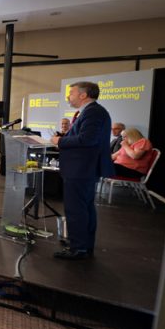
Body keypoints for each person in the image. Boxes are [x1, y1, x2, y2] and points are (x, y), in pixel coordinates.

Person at [50, 82, 114, 260]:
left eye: (71, 93)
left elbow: (87, 139)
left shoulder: (93, 112)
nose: (68, 96)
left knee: (76, 209)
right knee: (84, 208)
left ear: (83, 95)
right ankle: (83, 244)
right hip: (82, 168)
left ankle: (78, 248)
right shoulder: (91, 112)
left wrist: (59, 142)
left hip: (81, 169)